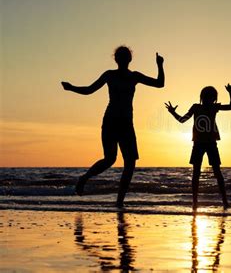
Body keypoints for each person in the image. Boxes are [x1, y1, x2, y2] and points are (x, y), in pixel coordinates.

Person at [61, 46, 165, 207]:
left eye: (125, 57)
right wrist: (71, 88)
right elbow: (90, 90)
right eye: (120, 57)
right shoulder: (110, 75)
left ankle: (119, 201)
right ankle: (84, 179)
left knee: (129, 163)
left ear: (129, 59)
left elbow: (159, 84)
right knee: (111, 159)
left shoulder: (134, 76)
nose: (123, 60)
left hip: (126, 123)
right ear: (117, 60)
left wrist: (160, 65)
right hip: (111, 121)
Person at [165, 84, 231, 210]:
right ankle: (195, 202)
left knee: (216, 172)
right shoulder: (196, 107)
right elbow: (182, 120)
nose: (208, 99)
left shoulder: (213, 107)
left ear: (213, 99)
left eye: (210, 97)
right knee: (197, 173)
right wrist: (173, 112)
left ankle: (224, 202)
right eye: (206, 97)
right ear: (202, 97)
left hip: (210, 143)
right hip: (198, 143)